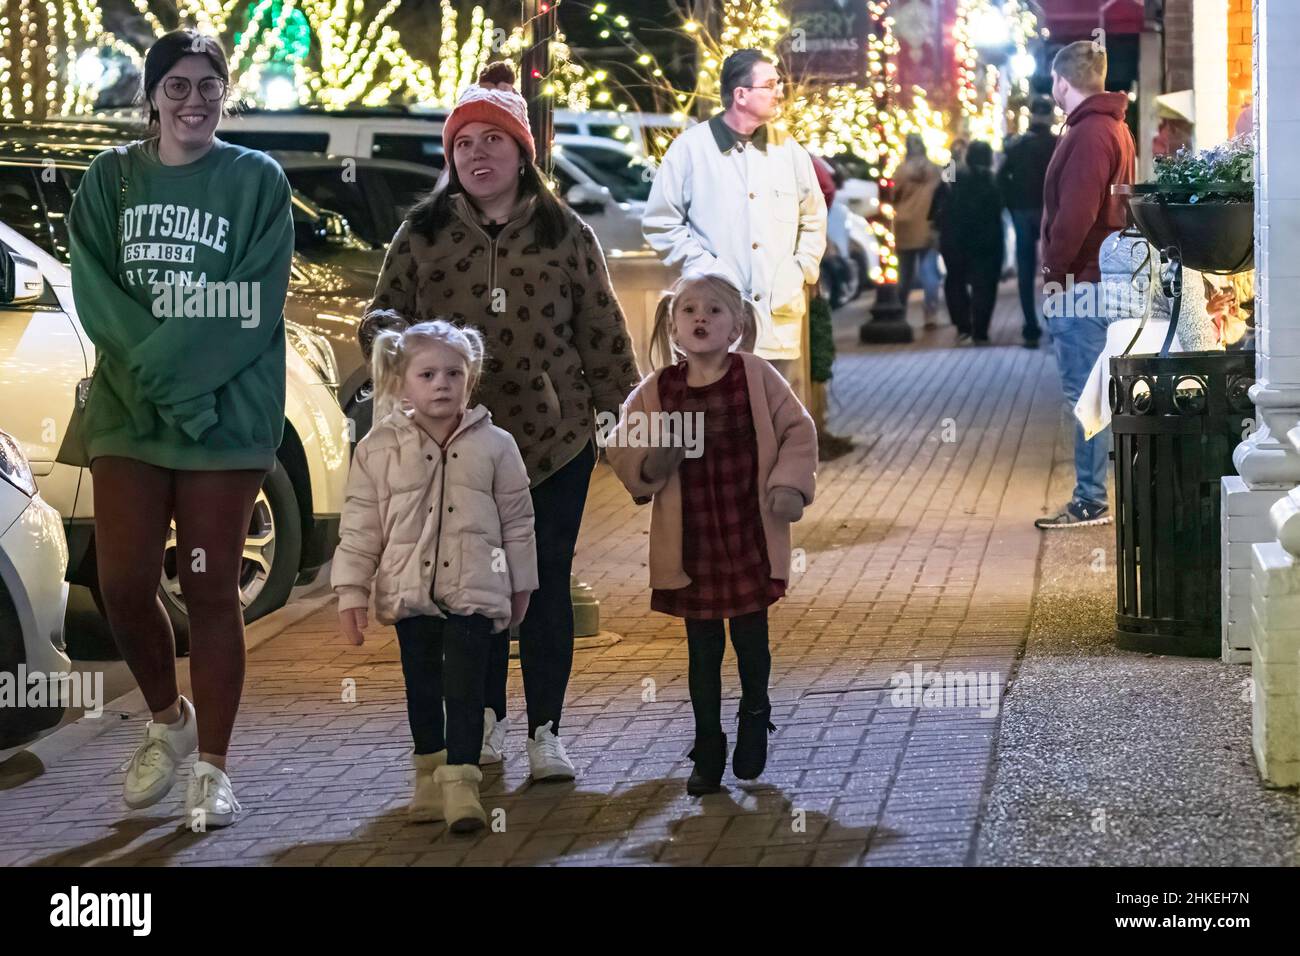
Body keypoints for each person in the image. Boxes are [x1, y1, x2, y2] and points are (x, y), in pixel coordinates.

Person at [362, 62, 640, 780]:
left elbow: (605, 335)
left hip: (554, 440)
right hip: (456, 446)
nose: (477, 155)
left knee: (543, 582)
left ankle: (547, 731)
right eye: (464, 144)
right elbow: (384, 311)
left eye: (494, 140)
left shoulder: (564, 230)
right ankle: (483, 722)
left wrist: (631, 425)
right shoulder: (421, 231)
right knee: (473, 589)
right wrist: (389, 339)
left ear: (522, 151)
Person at [66, 30, 293, 827]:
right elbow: (97, 298)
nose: (193, 100)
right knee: (122, 581)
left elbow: (248, 306)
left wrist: (192, 399)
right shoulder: (109, 180)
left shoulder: (256, 181)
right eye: (178, 85)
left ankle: (214, 768)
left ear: (224, 94)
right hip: (130, 413)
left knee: (207, 586)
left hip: (224, 418)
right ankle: (169, 720)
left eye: (208, 85)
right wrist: (168, 388)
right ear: (153, 93)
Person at [605, 275, 817, 795]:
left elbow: (798, 429)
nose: (701, 319)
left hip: (746, 529)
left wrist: (788, 486)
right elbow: (621, 444)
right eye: (689, 311)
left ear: (737, 327)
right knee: (701, 650)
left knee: (750, 639)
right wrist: (653, 462)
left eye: (715, 311)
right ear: (674, 327)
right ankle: (707, 745)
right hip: (692, 537)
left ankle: (754, 713)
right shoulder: (658, 389)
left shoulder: (757, 376)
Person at [333, 319, 537, 832]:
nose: (441, 384)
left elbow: (518, 520)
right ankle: (428, 777)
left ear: (470, 379)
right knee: (423, 687)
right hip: (408, 594)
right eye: (427, 374)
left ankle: (463, 784)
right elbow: (360, 525)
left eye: (453, 373)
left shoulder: (496, 445)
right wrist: (350, 592)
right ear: (403, 382)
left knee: (466, 688)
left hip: (475, 591)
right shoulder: (377, 450)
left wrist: (521, 583)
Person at [643, 48, 827, 405]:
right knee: (720, 421)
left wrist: (801, 267)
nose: (779, 92)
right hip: (712, 320)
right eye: (770, 84)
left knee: (774, 418)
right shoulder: (691, 150)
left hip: (777, 313)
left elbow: (813, 217)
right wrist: (705, 269)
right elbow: (660, 222)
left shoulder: (789, 151)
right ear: (740, 94)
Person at [1034, 40, 1136, 529]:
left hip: (1082, 283)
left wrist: (1053, 276)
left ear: (1060, 81)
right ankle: (1096, 495)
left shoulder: (1090, 133)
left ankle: (1090, 500)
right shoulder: (1111, 127)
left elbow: (1076, 215)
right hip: (1100, 280)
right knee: (1099, 394)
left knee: (1087, 398)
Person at [998, 95, 1058, 347]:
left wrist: (1010, 205)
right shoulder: (1057, 144)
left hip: (1022, 210)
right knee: (1054, 266)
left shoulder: (1017, 145)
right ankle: (1055, 323)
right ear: (1050, 115)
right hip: (1050, 211)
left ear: (1032, 115)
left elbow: (1001, 177)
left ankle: (1030, 328)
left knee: (1025, 269)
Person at [930, 141, 1004, 345]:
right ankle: (980, 329)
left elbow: (939, 197)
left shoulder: (955, 176)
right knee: (985, 285)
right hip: (986, 241)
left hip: (955, 238)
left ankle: (963, 326)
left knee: (955, 281)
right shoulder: (992, 181)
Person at [894, 133, 944, 328]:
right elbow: (948, 187)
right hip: (928, 224)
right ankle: (930, 314)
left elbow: (892, 195)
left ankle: (900, 312)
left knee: (904, 274)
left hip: (904, 225)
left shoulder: (900, 171)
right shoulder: (935, 169)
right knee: (929, 272)